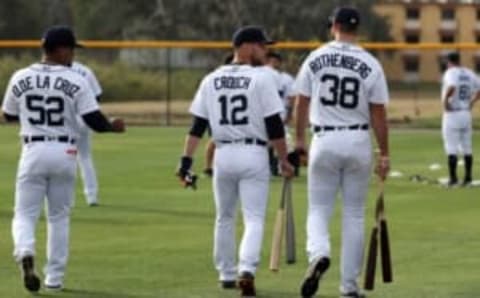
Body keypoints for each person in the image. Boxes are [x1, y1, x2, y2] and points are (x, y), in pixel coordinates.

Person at [1, 25, 125, 293]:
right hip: (65, 151)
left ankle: (24, 251)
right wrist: (112, 126)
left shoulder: (20, 76)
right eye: (71, 49)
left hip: (32, 149)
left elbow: (8, 115)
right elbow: (94, 120)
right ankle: (54, 279)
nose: (73, 55)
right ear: (60, 50)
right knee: (58, 217)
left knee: (24, 213)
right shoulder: (75, 79)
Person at [177, 26, 294, 298]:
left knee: (224, 217)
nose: (265, 52)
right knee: (253, 218)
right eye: (262, 46)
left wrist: (186, 161)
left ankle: (226, 274)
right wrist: (284, 159)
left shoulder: (211, 79)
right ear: (247, 46)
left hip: (223, 155)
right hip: (253, 153)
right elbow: (274, 124)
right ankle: (246, 270)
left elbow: (197, 126)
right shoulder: (261, 78)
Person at [294, 7, 390, 298]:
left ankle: (319, 254)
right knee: (354, 215)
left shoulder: (315, 57)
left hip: (324, 137)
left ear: (333, 26)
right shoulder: (370, 63)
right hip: (358, 139)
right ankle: (349, 286)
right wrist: (384, 152)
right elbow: (379, 114)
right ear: (357, 29)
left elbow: (301, 102)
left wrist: (299, 140)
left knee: (319, 208)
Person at [441, 52, 480, 187]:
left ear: (449, 61)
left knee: (451, 147)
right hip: (465, 113)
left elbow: (452, 86)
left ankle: (453, 179)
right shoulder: (469, 72)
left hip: (453, 113)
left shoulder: (450, 72)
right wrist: (472, 102)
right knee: (467, 147)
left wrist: (446, 101)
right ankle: (468, 178)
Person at [71, 61, 103, 205]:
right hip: (83, 118)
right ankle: (91, 196)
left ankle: (64, 197)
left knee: (63, 156)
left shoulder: (50, 70)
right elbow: (97, 96)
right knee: (84, 157)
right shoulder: (85, 71)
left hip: (59, 121)